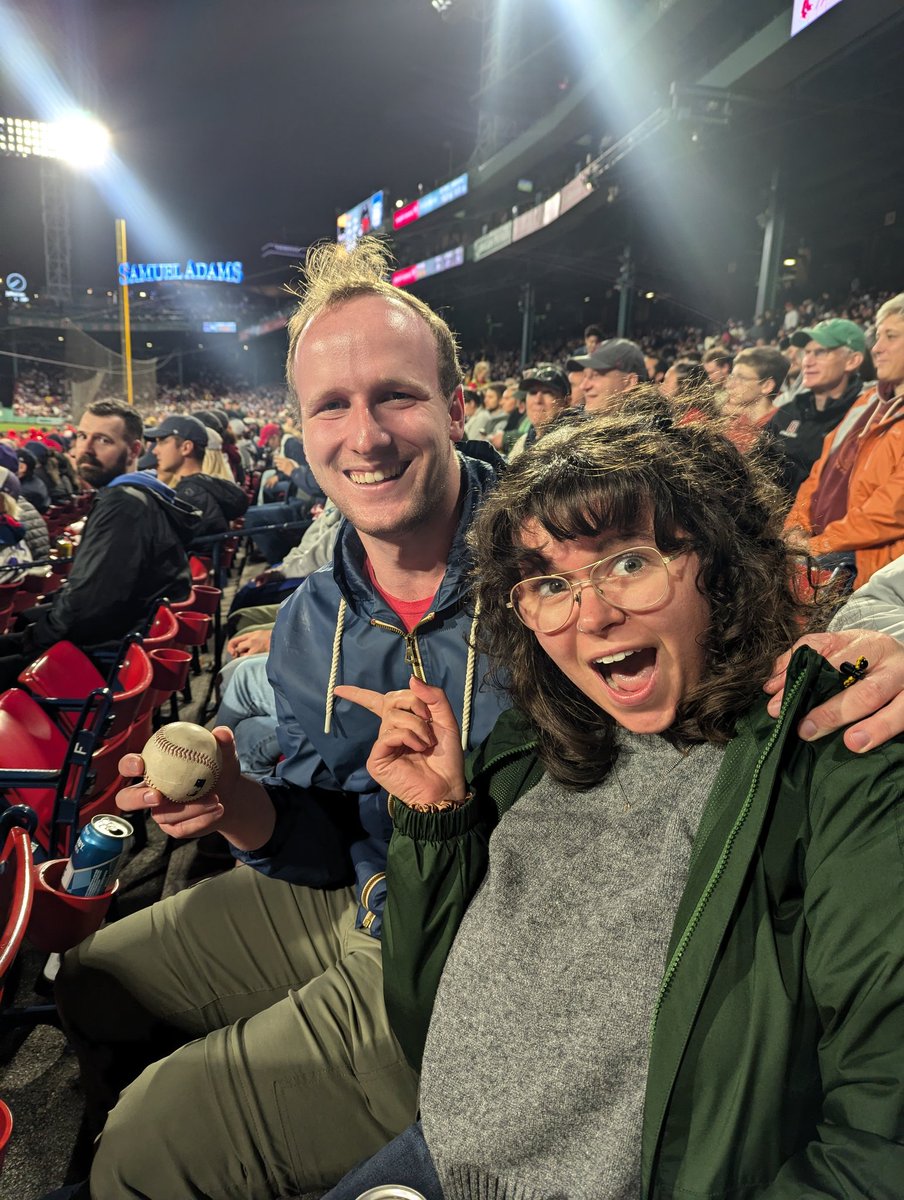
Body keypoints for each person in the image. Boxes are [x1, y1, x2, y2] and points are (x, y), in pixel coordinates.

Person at [331, 394, 904, 1200]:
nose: (591, 615)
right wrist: (438, 821)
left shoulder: (835, 752)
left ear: (720, 559)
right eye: (548, 584)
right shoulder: (532, 744)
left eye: (629, 560)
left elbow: (880, 1137)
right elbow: (434, 1017)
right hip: (439, 1156)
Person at [53, 237, 511, 1200]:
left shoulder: (564, 566)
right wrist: (233, 804)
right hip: (363, 894)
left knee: (147, 1149)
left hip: (482, 971)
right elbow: (320, 832)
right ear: (298, 437)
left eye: (396, 395)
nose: (367, 437)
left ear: (456, 407)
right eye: (331, 408)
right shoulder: (313, 615)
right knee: (90, 972)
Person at [0, 399, 198, 686]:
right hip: (115, 645)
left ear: (134, 451)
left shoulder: (123, 505)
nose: (86, 449)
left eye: (103, 440)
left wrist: (33, 636)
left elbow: (85, 608)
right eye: (82, 436)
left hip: (100, 661)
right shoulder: (138, 495)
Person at [785, 296, 904, 586]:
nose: (877, 347)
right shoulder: (867, 401)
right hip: (820, 549)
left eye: (891, 336)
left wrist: (819, 545)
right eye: (878, 336)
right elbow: (820, 474)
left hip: (862, 570)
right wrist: (796, 526)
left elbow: (891, 509)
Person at [770, 318, 869, 495]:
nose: (807, 361)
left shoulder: (866, 419)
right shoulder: (789, 411)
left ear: (852, 361)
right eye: (806, 353)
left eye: (820, 352)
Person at [146, 413, 248, 543]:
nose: (155, 450)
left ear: (186, 448)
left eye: (163, 442)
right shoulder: (203, 487)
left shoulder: (188, 498)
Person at [567, 337, 647, 413]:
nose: (583, 386)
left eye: (596, 375)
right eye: (585, 376)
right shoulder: (576, 422)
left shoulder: (651, 425)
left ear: (629, 382)